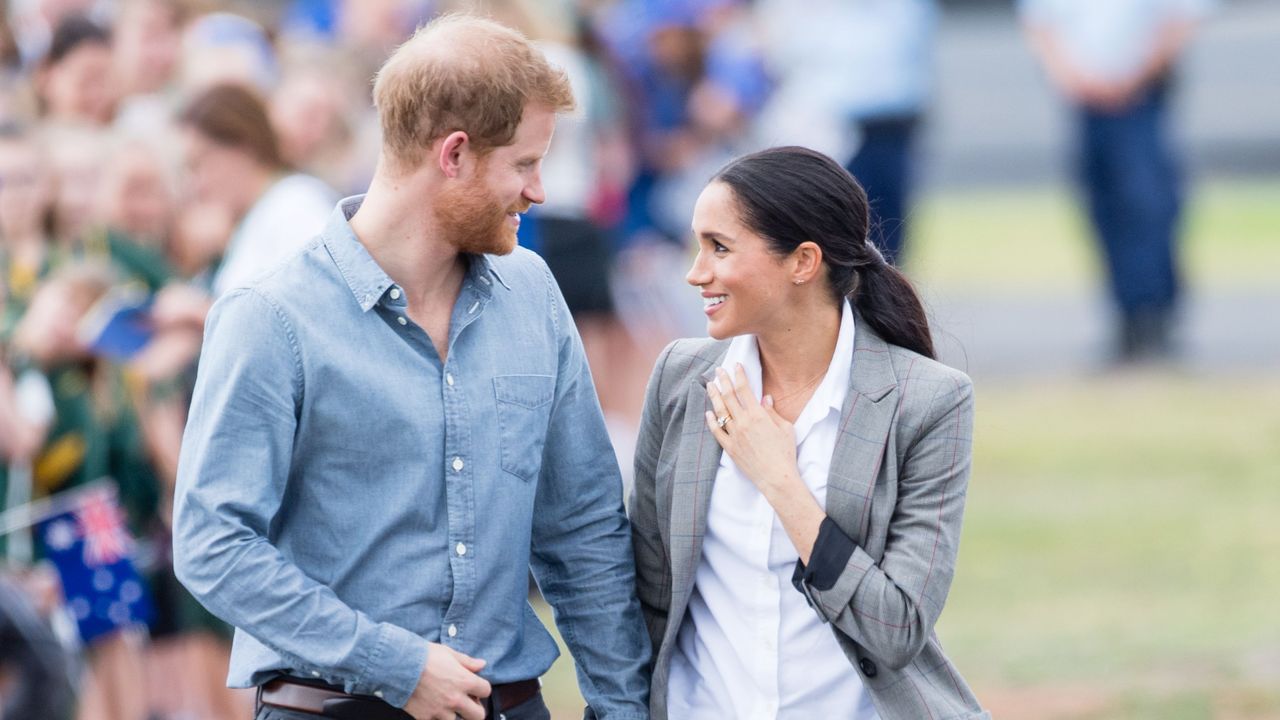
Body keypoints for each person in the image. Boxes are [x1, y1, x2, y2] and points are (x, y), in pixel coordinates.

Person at [172, 14, 650, 720]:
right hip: (330, 709)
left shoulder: (535, 294)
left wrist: (622, 710)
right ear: (453, 154)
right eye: (524, 164)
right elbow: (213, 544)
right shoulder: (270, 317)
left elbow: (581, 529)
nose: (540, 191)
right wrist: (391, 663)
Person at [630, 146, 988, 719]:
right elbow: (648, 594)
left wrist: (781, 482)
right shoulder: (680, 378)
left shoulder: (928, 401)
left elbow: (897, 628)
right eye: (698, 246)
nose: (696, 273)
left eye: (720, 248)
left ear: (802, 262)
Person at [1020, 0, 1213, 362]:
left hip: (1141, 96)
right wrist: (1076, 79)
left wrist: (1134, 76)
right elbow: (1041, 24)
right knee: (1105, 209)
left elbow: (1181, 18)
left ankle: (1154, 317)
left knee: (1147, 205)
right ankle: (1126, 317)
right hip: (1085, 100)